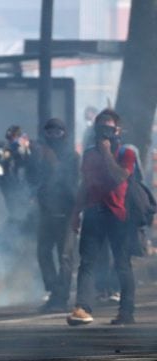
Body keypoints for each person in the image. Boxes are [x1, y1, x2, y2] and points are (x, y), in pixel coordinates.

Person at [68, 109, 137, 326]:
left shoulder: (127, 152)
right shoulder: (89, 153)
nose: (105, 133)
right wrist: (75, 212)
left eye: (109, 128)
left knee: (122, 263)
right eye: (102, 128)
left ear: (118, 130)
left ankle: (126, 312)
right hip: (93, 212)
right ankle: (82, 308)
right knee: (87, 263)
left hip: (119, 215)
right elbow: (85, 184)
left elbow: (119, 177)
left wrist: (106, 152)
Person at [34, 118, 80, 312]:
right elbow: (36, 180)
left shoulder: (72, 157)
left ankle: (61, 297)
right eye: (49, 132)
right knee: (43, 252)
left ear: (64, 133)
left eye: (57, 132)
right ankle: (54, 290)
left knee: (65, 256)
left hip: (66, 211)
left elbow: (72, 185)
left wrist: (55, 165)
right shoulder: (42, 155)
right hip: (46, 211)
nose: (53, 136)